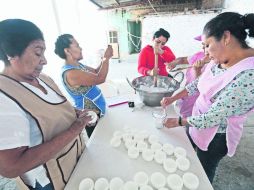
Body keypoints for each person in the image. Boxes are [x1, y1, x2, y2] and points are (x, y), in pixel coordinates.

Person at [161, 12, 254, 183]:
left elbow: (212, 118)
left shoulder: (248, 75)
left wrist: (179, 122)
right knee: (189, 156)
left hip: (216, 136)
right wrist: (173, 98)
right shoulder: (220, 58)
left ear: (226, 37)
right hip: (196, 120)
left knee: (203, 172)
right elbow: (198, 83)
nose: (205, 52)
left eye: (207, 45)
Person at [0, 19, 92, 190]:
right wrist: (74, 129)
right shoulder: (4, 97)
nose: (44, 61)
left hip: (75, 158)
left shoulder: (44, 79)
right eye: (37, 53)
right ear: (10, 54)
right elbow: (11, 167)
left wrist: (75, 112)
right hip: (51, 178)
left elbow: (52, 110)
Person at [54, 34, 113, 137]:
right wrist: (106, 59)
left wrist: (104, 58)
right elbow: (100, 78)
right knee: (99, 141)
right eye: (77, 46)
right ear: (67, 51)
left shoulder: (78, 66)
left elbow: (95, 71)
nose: (81, 48)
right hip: (91, 115)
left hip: (98, 108)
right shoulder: (70, 73)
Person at [168, 35, 210, 118]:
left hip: (197, 104)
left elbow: (199, 87)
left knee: (188, 125)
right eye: (203, 44)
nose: (203, 47)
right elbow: (182, 60)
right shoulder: (199, 55)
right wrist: (173, 63)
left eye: (207, 45)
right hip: (185, 96)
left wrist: (197, 70)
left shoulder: (215, 65)